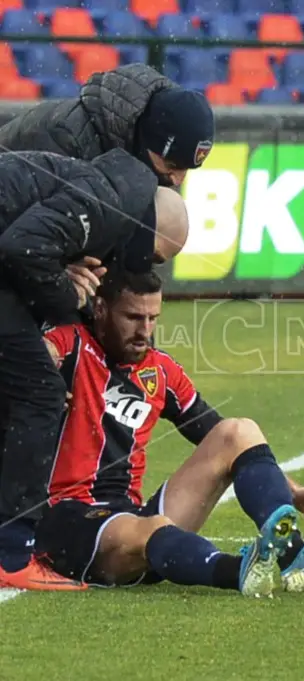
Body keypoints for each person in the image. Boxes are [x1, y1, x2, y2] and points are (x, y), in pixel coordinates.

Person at [16, 268, 304, 595]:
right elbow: (35, 354)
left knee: (237, 431)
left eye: (152, 318)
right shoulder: (70, 345)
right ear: (100, 309)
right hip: (63, 519)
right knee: (149, 528)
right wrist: (40, 368)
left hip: (129, 514)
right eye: (133, 317)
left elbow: (221, 437)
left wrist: (291, 491)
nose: (144, 331)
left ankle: (293, 553)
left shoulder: (161, 371)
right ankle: (239, 572)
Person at [0, 149, 190, 589]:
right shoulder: (104, 206)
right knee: (40, 393)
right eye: (153, 257)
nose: (145, 266)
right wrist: (61, 292)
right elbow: (19, 247)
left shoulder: (100, 181)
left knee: (30, 387)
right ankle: (11, 552)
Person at [0, 63, 214, 187]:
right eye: (172, 164)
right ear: (145, 139)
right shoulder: (64, 138)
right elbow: (22, 238)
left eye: (187, 169)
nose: (177, 180)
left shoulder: (127, 147)